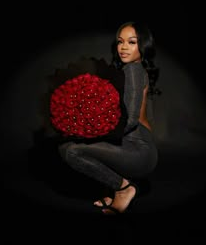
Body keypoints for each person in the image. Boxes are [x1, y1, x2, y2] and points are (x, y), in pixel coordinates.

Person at [58, 21, 160, 214]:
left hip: (138, 151)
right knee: (77, 144)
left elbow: (129, 121)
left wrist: (89, 135)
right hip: (139, 148)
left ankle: (123, 189)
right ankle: (114, 189)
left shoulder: (133, 70)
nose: (123, 47)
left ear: (143, 46)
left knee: (70, 151)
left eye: (131, 42)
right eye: (120, 42)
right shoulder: (135, 71)